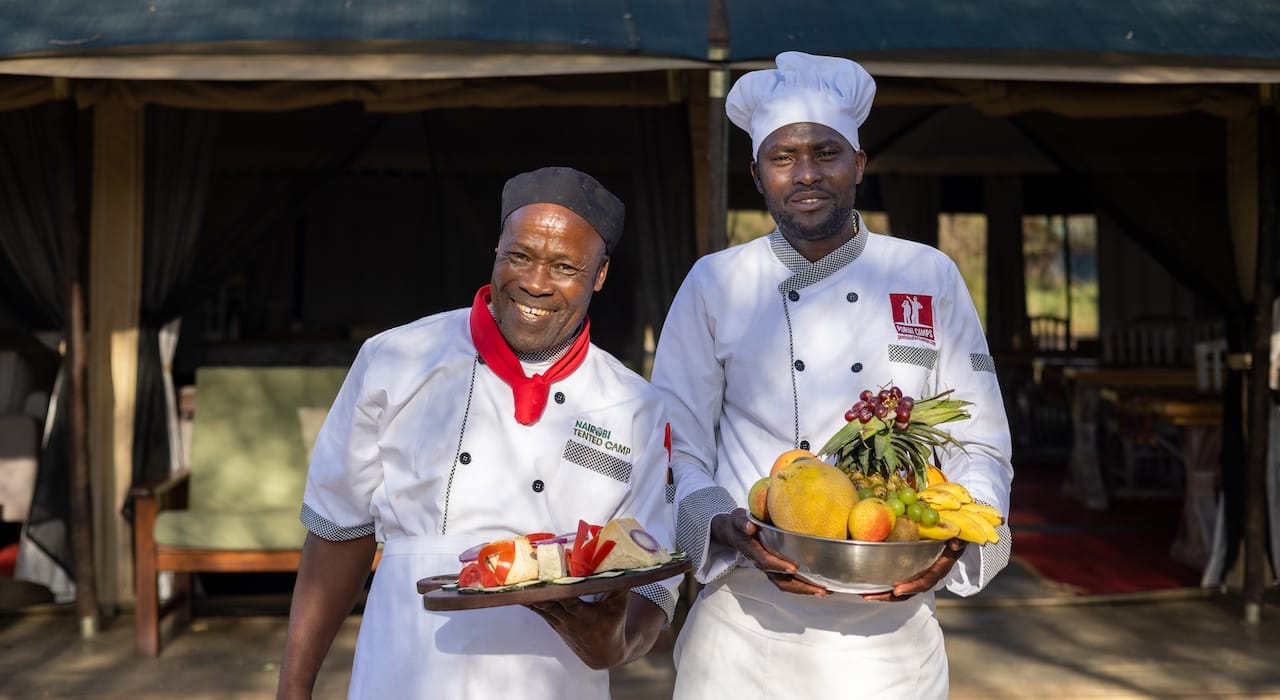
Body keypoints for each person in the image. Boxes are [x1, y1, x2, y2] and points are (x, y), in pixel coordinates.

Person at [650, 52, 1014, 699]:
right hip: (744, 629)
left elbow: (980, 443)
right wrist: (720, 523)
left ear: (859, 165)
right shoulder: (716, 283)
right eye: (782, 158)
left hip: (892, 637)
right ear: (758, 177)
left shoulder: (929, 277)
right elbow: (673, 446)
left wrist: (960, 539)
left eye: (826, 152)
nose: (806, 174)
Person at [277, 166, 678, 699]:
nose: (535, 282)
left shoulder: (636, 407)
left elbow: (654, 581)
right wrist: (293, 689)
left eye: (564, 266)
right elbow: (337, 534)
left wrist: (616, 648)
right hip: (405, 669)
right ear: (496, 247)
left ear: (600, 275)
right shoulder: (395, 360)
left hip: (553, 680)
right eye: (520, 256)